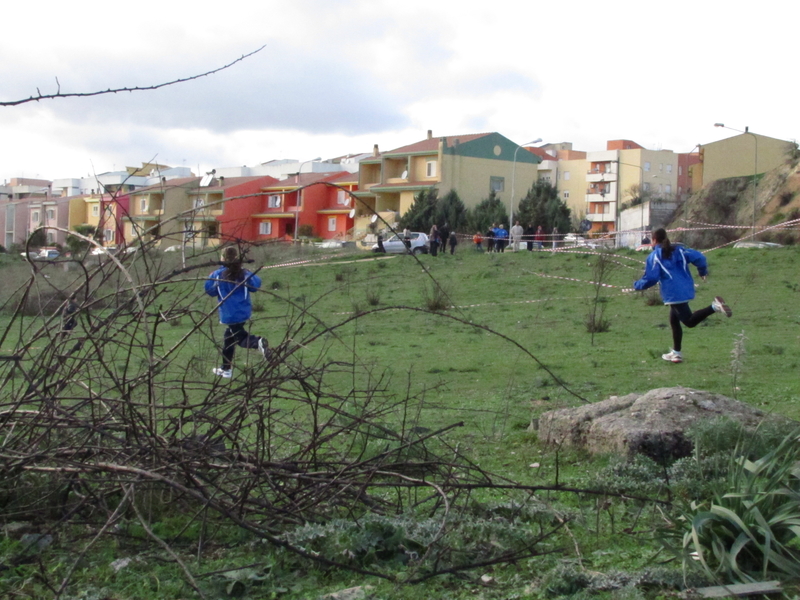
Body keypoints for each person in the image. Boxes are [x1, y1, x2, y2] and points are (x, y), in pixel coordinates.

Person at [633, 228, 732, 364]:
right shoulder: (679, 250)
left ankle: (714, 306)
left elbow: (652, 278)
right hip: (686, 288)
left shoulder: (654, 256)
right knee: (674, 320)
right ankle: (676, 353)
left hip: (673, 293)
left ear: (654, 240)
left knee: (689, 321)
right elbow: (700, 257)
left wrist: (637, 285)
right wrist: (702, 271)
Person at [205, 246, 269, 378]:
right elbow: (255, 285)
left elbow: (210, 291)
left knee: (240, 338)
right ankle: (226, 369)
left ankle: (257, 342)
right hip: (244, 310)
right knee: (229, 338)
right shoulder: (244, 273)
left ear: (222, 258)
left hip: (229, 312)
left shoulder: (217, 275)